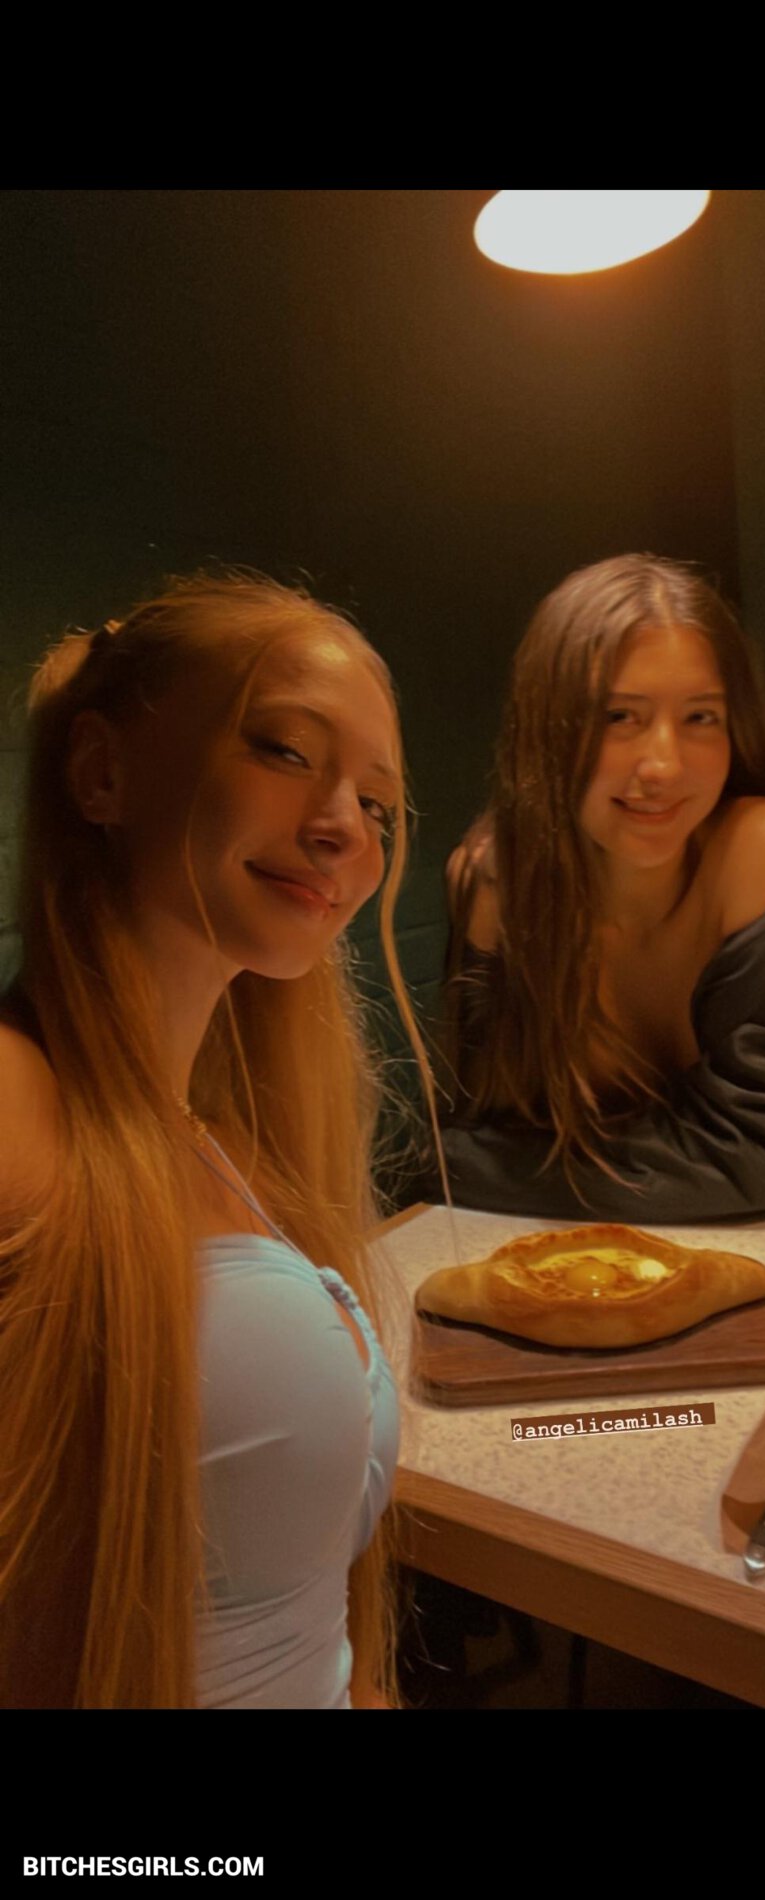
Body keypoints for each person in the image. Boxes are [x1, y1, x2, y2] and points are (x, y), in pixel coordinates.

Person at [0, 572, 433, 1710]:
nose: (343, 827)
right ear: (102, 773)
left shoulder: (222, 1140)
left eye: (376, 803)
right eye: (285, 750)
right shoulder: (14, 1105)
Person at [440, 553, 765, 1221]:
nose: (663, 764)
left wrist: (456, 1167)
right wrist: (459, 1165)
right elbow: (474, 1126)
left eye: (700, 717)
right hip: (585, 1259)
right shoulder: (493, 885)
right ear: (546, 731)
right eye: (619, 717)